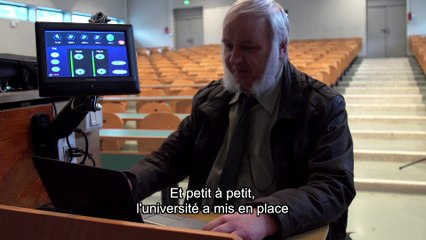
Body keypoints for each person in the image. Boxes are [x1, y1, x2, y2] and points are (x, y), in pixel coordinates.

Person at [125, 0, 355, 239]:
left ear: (282, 47)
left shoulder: (321, 106)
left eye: (248, 47)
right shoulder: (209, 100)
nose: (234, 59)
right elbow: (169, 158)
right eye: (228, 46)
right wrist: (127, 183)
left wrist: (267, 217)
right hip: (208, 228)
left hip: (281, 232)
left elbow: (333, 186)